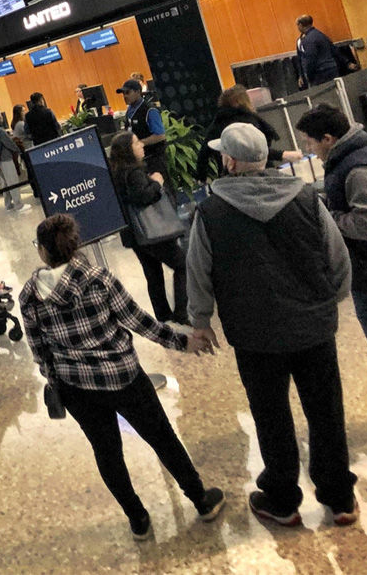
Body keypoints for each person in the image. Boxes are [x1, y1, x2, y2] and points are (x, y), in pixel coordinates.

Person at [186, 123, 358, 526]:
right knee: (326, 411)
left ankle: (281, 500)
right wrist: (330, 300)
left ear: (230, 162)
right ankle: (340, 498)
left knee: (271, 416)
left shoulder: (211, 212)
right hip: (313, 328)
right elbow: (337, 255)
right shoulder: (306, 197)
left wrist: (201, 321)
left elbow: (198, 270)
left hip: (254, 335)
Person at [19, 214, 224, 540]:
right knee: (162, 438)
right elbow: (139, 322)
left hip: (76, 388)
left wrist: (57, 379)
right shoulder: (98, 279)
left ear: (43, 251)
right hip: (124, 378)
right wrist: (183, 342)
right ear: (74, 245)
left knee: (107, 452)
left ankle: (137, 518)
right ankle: (201, 500)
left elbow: (40, 352)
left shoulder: (30, 294)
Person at [297, 104, 367, 456]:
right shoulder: (362, 154)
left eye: (310, 142)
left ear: (328, 138)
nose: (308, 149)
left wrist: (328, 219)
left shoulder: (359, 167)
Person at [109, 133, 188, 325]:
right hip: (152, 233)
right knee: (182, 265)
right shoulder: (134, 173)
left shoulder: (117, 173)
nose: (141, 145)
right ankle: (181, 313)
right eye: (136, 143)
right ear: (128, 150)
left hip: (134, 235)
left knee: (153, 275)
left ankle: (163, 317)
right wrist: (157, 182)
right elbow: (144, 197)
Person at [196, 84, 304, 182]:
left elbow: (203, 155)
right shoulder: (248, 121)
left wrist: (202, 179)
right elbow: (255, 151)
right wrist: (284, 155)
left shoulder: (217, 123)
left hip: (229, 180)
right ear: (243, 101)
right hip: (257, 176)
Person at [118, 79, 167, 177]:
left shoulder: (150, 110)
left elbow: (160, 136)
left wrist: (139, 143)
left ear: (137, 92)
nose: (125, 96)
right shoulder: (129, 110)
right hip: (140, 161)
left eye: (128, 92)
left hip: (154, 159)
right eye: (123, 93)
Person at [295, 15, 355, 89]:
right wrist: (347, 62)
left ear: (300, 25)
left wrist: (308, 75)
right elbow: (334, 49)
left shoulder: (308, 40)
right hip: (331, 68)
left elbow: (310, 59)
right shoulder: (320, 35)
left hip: (319, 73)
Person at [0, 111, 30, 212]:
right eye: (0, 116)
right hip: (6, 159)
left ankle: (8, 205)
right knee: (12, 181)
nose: (2, 118)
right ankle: (19, 205)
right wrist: (19, 150)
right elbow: (9, 143)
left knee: (5, 183)